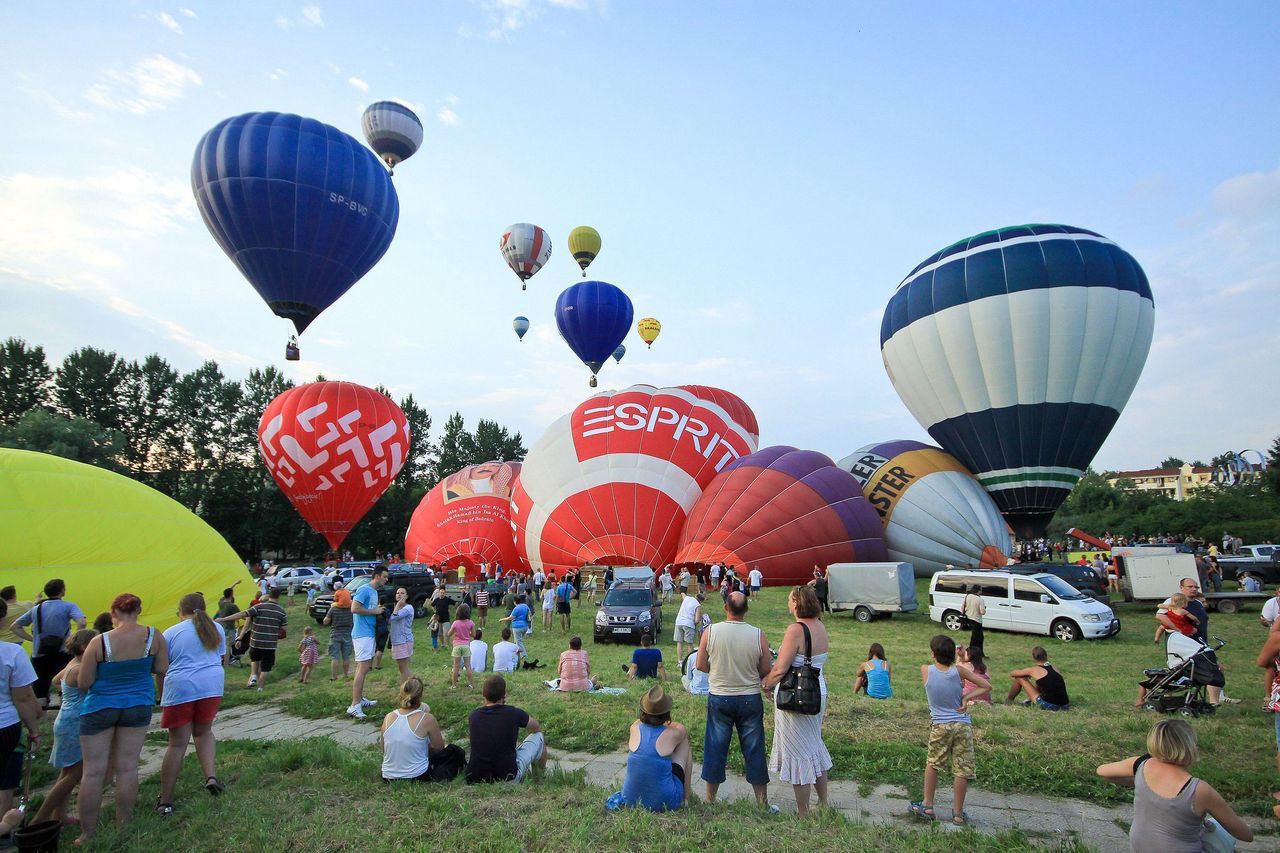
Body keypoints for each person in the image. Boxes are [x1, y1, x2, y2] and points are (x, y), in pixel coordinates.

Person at [76, 593, 169, 844]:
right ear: (139, 610)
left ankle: (88, 833)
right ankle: (123, 826)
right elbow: (161, 668)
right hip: (138, 704)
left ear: (113, 613)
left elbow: (84, 682)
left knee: (93, 772)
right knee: (127, 767)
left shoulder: (99, 641)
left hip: (99, 707)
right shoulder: (153, 636)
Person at [1096, 719, 1253, 851]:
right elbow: (1246, 835)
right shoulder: (1200, 790)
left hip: (1139, 848)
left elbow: (1102, 771)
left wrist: (1138, 781)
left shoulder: (1140, 765)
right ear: (1190, 746)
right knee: (1219, 831)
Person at [696, 591, 773, 809]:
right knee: (754, 748)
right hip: (749, 697)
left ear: (725, 608)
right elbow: (766, 668)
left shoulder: (710, 632)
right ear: (746, 609)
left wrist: (718, 671)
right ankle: (762, 803)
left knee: (715, 746)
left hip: (720, 696)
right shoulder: (758, 634)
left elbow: (700, 664)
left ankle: (710, 799)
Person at [762, 586, 830, 817]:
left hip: (797, 695)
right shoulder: (820, 625)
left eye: (790, 600)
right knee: (814, 745)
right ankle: (823, 801)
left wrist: (766, 683)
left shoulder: (796, 629)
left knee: (798, 750)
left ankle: (803, 812)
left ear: (797, 602)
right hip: (817, 690)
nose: (788, 604)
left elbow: (781, 668)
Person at [908, 634, 990, 826]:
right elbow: (986, 685)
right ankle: (958, 814)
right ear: (953, 654)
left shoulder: (925, 670)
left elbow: (940, 672)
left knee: (933, 763)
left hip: (940, 725)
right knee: (961, 769)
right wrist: (966, 697)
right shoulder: (959, 671)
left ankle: (927, 806)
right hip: (962, 724)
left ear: (933, 653)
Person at [156, 593, 226, 816]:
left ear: (180, 611)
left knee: (177, 744)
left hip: (181, 687)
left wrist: (161, 696)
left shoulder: (170, 633)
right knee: (204, 732)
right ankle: (211, 777)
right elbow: (222, 658)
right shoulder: (217, 628)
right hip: (212, 684)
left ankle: (166, 800)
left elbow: (161, 668)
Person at [33, 629, 95, 826]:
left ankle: (59, 815)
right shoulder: (80, 669)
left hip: (65, 718)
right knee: (75, 774)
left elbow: (54, 681)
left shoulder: (71, 664)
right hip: (75, 722)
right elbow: (92, 688)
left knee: (67, 772)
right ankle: (40, 818)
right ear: (86, 647)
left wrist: (68, 693)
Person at [0, 599, 43, 830]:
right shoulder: (12, 652)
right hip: (5, 725)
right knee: (5, 780)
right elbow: (24, 697)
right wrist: (34, 731)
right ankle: (4, 827)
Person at [12, 579, 87, 705]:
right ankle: (62, 711)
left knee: (40, 688)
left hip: (39, 652)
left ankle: (42, 718)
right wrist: (74, 639)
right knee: (65, 685)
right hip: (62, 652)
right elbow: (82, 622)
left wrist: (33, 639)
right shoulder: (69, 606)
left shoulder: (36, 608)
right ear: (62, 590)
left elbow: (15, 626)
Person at [620, 685, 691, 811]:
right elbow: (680, 727)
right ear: (667, 713)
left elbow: (640, 722)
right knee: (684, 742)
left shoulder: (634, 727)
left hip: (629, 799)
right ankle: (686, 798)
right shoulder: (674, 734)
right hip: (665, 802)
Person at [466, 675, 547, 784]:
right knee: (539, 737)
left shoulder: (474, 715)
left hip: (475, 778)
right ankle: (539, 779)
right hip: (507, 777)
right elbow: (536, 727)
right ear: (504, 695)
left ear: (483, 694)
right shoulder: (513, 713)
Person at [216, 587, 286, 690]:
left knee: (254, 660)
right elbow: (284, 631)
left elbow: (242, 615)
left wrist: (223, 619)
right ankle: (260, 688)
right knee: (265, 668)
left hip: (255, 642)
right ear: (279, 596)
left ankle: (253, 677)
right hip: (270, 644)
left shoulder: (257, 607)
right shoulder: (281, 611)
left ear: (269, 595)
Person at [380, 678, 446, 783]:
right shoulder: (427, 718)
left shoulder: (388, 717)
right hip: (417, 775)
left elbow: (384, 749)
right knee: (454, 752)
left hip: (388, 776)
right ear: (420, 695)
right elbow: (439, 749)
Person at [346, 566, 388, 719]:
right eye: (384, 576)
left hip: (369, 633)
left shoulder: (374, 592)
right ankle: (355, 705)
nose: (386, 579)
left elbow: (367, 608)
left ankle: (360, 699)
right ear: (376, 576)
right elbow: (354, 608)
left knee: (363, 667)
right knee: (363, 668)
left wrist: (377, 610)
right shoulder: (364, 589)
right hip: (362, 634)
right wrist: (374, 612)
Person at [1005, 646, 1070, 710]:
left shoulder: (1034, 670)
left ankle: (1008, 701)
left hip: (1049, 705)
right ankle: (1029, 701)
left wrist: (1026, 674)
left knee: (1019, 678)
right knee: (1041, 681)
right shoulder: (1055, 668)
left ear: (1033, 658)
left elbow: (1013, 673)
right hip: (1065, 705)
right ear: (1046, 656)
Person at [323, 587, 354, 680]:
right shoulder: (351, 608)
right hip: (348, 634)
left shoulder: (333, 609)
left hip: (335, 634)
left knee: (335, 657)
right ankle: (345, 675)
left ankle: (334, 677)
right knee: (346, 657)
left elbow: (325, 621)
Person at [447, 603, 477, 690]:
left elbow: (449, 634)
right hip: (466, 646)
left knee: (456, 666)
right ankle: (471, 684)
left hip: (456, 646)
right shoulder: (471, 623)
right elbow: (474, 635)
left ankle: (453, 685)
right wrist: (468, 633)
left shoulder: (455, 623)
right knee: (468, 666)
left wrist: (455, 633)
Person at [388, 587, 415, 683]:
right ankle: (411, 688)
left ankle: (406, 690)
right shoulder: (399, 608)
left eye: (402, 593)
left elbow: (392, 618)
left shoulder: (408, 608)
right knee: (402, 668)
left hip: (403, 640)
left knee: (403, 668)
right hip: (398, 640)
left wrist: (398, 605)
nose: (399, 594)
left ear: (407, 596)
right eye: (397, 593)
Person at [215, 585, 242, 665]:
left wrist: (234, 584)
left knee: (220, 645)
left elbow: (226, 593)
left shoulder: (221, 603)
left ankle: (219, 661)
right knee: (228, 646)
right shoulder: (232, 606)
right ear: (231, 595)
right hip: (230, 628)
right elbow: (241, 615)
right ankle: (226, 663)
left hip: (221, 626)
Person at [673, 588, 702, 664]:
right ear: (700, 601)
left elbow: (682, 594)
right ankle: (690, 662)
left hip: (679, 622)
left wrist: (682, 592)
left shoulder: (687, 598)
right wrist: (695, 624)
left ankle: (680, 661)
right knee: (689, 643)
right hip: (688, 624)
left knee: (679, 642)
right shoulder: (698, 605)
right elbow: (697, 620)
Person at [502, 594, 533, 660]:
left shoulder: (516, 608)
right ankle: (515, 656)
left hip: (517, 627)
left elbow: (510, 618)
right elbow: (529, 614)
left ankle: (525, 657)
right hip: (525, 626)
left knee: (519, 643)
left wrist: (502, 619)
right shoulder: (525, 606)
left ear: (515, 601)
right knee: (516, 642)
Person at [961, 584, 985, 651]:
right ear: (978, 590)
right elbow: (982, 612)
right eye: (981, 589)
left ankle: (979, 652)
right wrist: (984, 609)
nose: (982, 591)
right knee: (976, 638)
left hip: (968, 618)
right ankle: (971, 651)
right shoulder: (980, 599)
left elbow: (962, 607)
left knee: (979, 637)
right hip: (976, 620)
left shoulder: (968, 596)